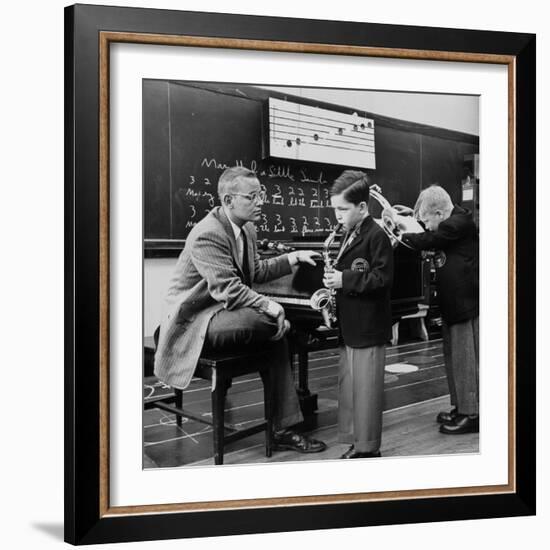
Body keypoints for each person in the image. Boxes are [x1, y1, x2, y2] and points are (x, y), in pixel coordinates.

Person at [154, 166, 326, 454]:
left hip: (221, 312)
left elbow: (256, 272)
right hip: (194, 321)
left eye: (261, 195)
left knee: (275, 330)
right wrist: (270, 306)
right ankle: (282, 424)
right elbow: (229, 289)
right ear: (228, 201)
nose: (260, 202)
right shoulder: (207, 233)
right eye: (252, 196)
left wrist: (293, 257)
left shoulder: (247, 228)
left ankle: (282, 428)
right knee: (270, 319)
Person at [323, 170, 394, 459]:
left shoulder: (376, 235)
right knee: (351, 386)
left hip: (368, 325)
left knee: (366, 390)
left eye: (343, 209)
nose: (338, 215)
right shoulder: (348, 232)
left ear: (362, 208)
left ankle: (368, 448)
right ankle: (355, 440)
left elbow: (382, 279)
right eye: (335, 209)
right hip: (351, 324)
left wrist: (344, 280)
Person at [399, 185, 479, 435]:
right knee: (452, 358)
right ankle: (461, 406)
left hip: (463, 304)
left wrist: (399, 231)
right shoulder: (450, 221)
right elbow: (430, 232)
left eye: (426, 221)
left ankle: (472, 413)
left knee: (465, 360)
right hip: (452, 303)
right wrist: (407, 217)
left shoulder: (457, 223)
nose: (426, 226)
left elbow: (429, 240)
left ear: (439, 213)